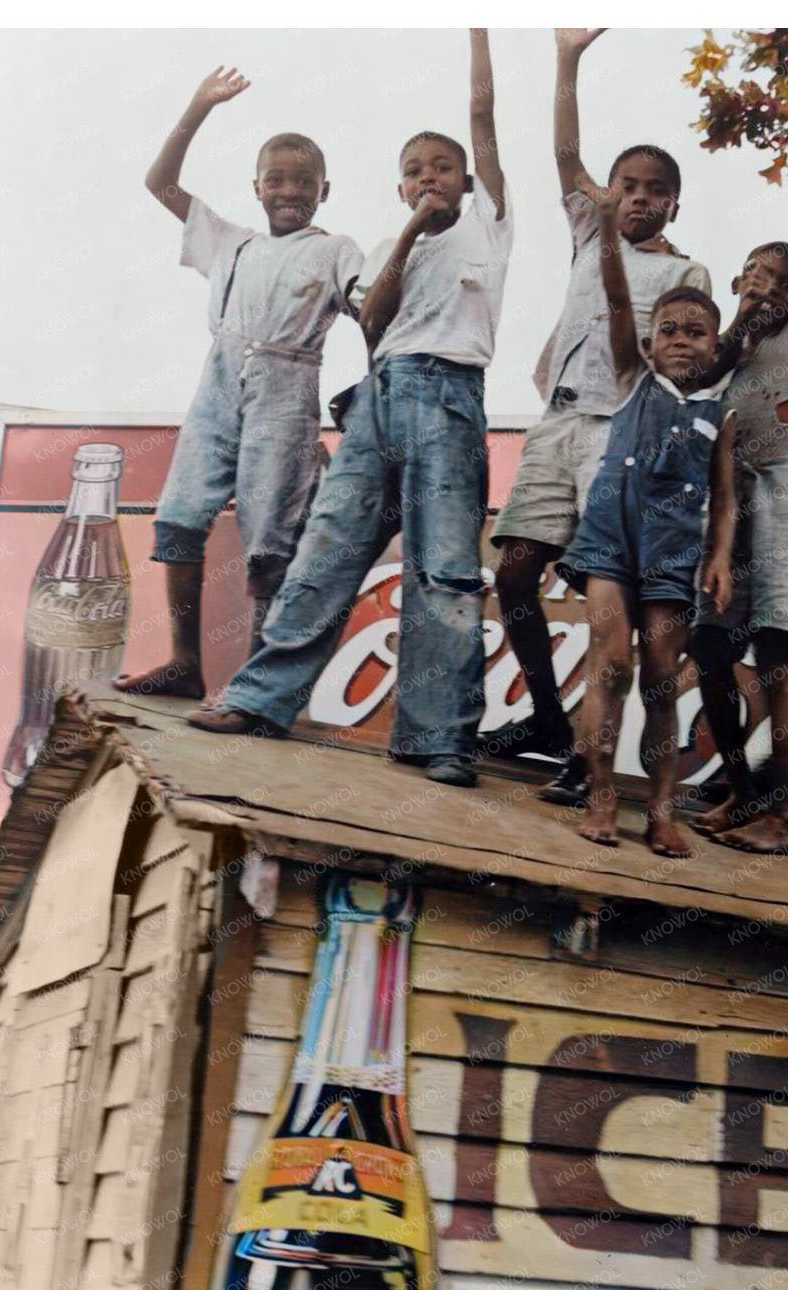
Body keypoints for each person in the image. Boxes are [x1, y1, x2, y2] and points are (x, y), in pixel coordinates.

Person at [188, 30, 512, 789]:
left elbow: (483, 111)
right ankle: (264, 698)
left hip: (449, 396)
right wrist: (406, 231)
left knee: (444, 569)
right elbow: (373, 325)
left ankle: (438, 737)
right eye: (411, 172)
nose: (427, 177)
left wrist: (478, 29)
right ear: (399, 189)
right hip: (381, 394)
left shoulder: (488, 225)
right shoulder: (397, 245)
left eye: (441, 168)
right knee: (326, 549)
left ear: (468, 182)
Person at [484, 27, 711, 807]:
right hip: (559, 418)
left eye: (654, 189)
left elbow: (687, 363)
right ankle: (547, 718)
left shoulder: (684, 270)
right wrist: (567, 60)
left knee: (601, 597)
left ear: (674, 202)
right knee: (513, 567)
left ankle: (593, 754)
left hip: (623, 435)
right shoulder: (590, 231)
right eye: (627, 185)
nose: (638, 199)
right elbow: (561, 152)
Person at [114, 66, 363, 698]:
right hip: (220, 377)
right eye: (276, 179)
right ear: (256, 186)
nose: (289, 190)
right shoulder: (230, 241)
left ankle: (256, 686)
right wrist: (199, 103)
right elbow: (159, 182)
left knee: (270, 538)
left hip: (288, 382)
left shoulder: (335, 249)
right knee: (178, 517)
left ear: (324, 189)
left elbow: (373, 308)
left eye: (304, 181)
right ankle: (184, 663)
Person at [555, 185, 736, 859]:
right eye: (671, 332)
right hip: (610, 535)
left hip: (672, 548)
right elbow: (616, 298)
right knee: (610, 664)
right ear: (651, 341)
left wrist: (719, 558)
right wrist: (605, 228)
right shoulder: (633, 375)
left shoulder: (721, 410)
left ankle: (660, 810)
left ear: (716, 345)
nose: (682, 342)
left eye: (696, 333)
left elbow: (725, 497)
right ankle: (601, 795)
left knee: (661, 673)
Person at [689, 71, 788, 858]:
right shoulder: (735, 352)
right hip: (730, 501)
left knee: (778, 654)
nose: (763, 286)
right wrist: (733, 324)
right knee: (712, 647)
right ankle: (742, 789)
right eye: (751, 273)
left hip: (786, 492)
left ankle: (786, 814)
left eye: (776, 279)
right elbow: (696, 378)